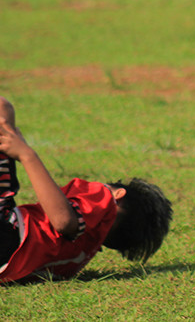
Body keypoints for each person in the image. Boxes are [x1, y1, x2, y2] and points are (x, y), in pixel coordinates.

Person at [0, 97, 172, 283]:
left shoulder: (106, 202)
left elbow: (64, 221)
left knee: (3, 108)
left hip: (7, 233)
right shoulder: (77, 258)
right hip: (6, 259)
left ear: (119, 194)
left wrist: (27, 155)